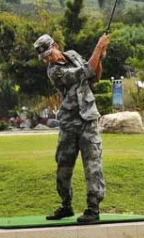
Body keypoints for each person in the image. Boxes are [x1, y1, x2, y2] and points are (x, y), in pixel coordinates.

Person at [34, 33, 110, 223]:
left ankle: (93, 209)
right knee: (63, 167)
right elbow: (83, 73)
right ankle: (66, 205)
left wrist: (99, 59)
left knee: (93, 166)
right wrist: (98, 48)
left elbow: (94, 76)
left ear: (57, 46)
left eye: (50, 53)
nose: (49, 59)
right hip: (69, 123)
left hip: (88, 120)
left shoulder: (74, 55)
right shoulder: (53, 72)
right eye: (45, 58)